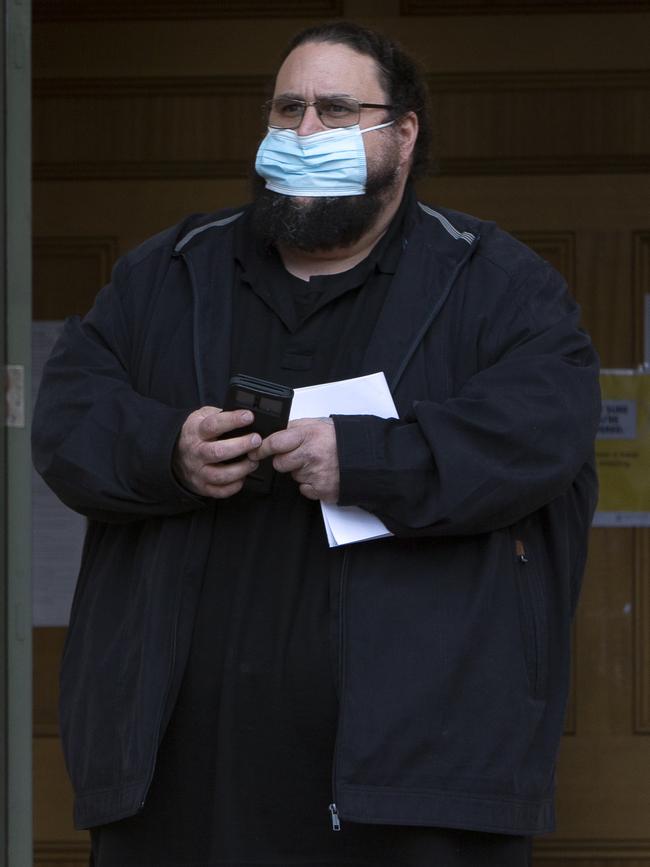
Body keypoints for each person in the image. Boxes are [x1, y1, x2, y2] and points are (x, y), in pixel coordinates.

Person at [32, 20, 600, 867]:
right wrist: (169, 450)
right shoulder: (170, 271)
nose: (304, 133)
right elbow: (70, 415)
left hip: (415, 783)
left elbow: (540, 433)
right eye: (288, 108)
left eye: (336, 111)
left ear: (401, 135)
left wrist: (368, 461)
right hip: (180, 774)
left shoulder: (496, 284)